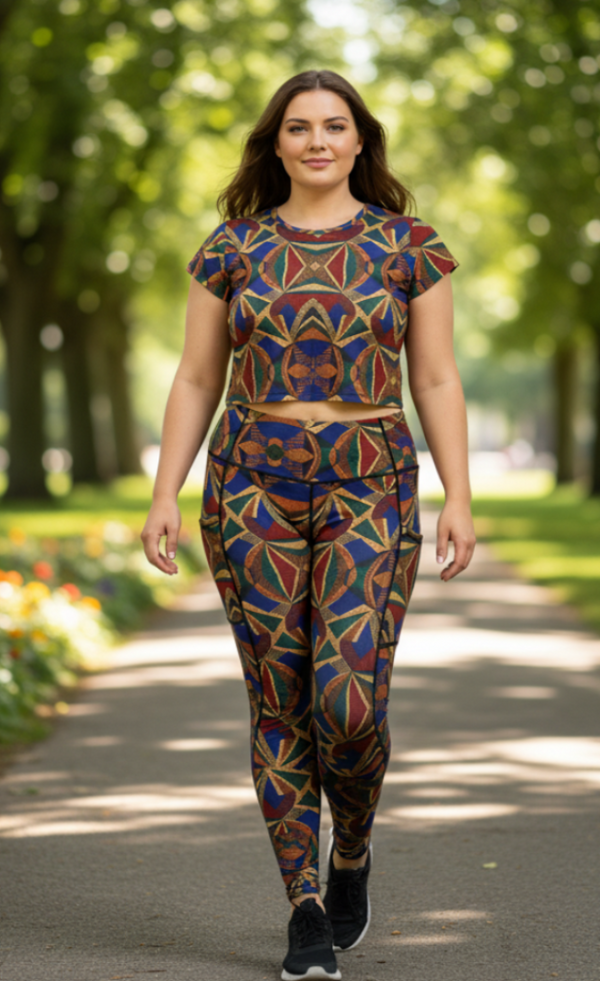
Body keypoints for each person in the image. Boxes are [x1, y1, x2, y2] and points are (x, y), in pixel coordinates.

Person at [141, 69, 476, 981]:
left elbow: (435, 378)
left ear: (360, 140)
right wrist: (167, 489)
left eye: (334, 126)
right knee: (279, 696)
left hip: (372, 481)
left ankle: (352, 848)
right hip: (251, 483)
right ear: (277, 143)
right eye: (299, 127)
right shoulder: (233, 247)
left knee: (349, 703)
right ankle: (305, 907)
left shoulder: (409, 246)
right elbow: (197, 377)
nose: (317, 141)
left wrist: (459, 493)